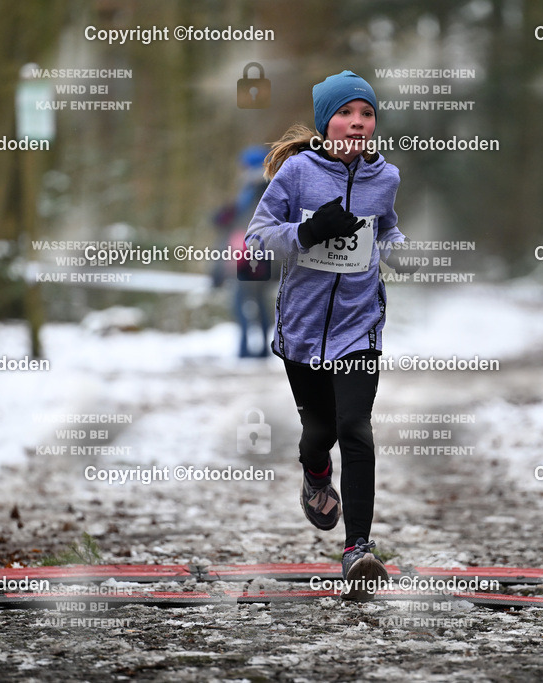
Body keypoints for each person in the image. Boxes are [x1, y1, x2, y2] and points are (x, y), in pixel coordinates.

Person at [245, 70, 406, 600]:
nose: (358, 123)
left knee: (356, 427)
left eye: (367, 115)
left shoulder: (386, 177)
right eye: (347, 114)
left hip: (359, 328)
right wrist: (310, 231)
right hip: (304, 329)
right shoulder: (295, 174)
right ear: (326, 123)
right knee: (321, 433)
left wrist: (398, 250)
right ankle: (316, 473)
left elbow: (388, 228)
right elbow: (259, 237)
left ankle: (358, 549)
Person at [210, 146, 272, 358]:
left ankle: (246, 350)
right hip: (263, 257)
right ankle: (261, 349)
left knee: (241, 301)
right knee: (259, 301)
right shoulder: (262, 189)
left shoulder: (255, 191)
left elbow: (243, 226)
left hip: (251, 257)